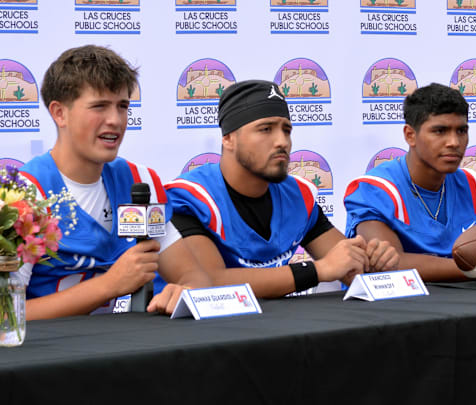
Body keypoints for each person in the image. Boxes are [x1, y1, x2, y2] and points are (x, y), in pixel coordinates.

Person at [17, 45, 212, 320]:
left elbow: (195, 277)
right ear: (59, 113)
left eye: (123, 106)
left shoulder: (139, 180)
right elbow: (6, 316)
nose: (116, 120)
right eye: (99, 106)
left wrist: (185, 291)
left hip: (118, 353)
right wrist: (109, 285)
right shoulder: (23, 195)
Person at [165, 80, 399, 298]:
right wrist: (317, 271)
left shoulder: (296, 194)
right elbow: (209, 283)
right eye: (265, 129)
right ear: (228, 139)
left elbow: (344, 262)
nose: (282, 141)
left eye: (286, 130)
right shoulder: (188, 197)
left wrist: (371, 260)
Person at [343, 83, 476, 282]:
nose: (453, 142)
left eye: (461, 131)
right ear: (410, 135)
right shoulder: (375, 189)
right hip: (397, 308)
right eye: (440, 131)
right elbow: (389, 264)